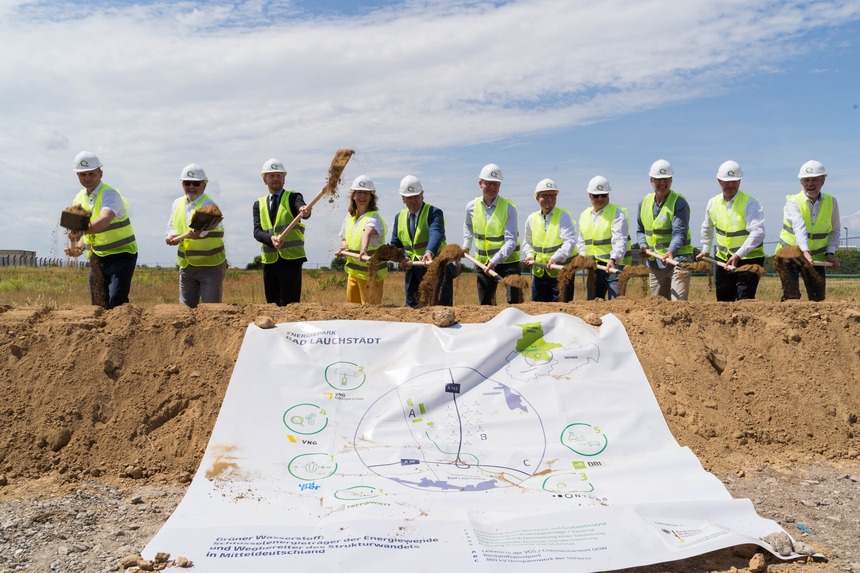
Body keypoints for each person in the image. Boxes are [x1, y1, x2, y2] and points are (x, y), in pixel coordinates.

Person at [67, 151, 138, 309]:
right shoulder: (78, 198)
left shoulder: (110, 194)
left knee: (116, 301)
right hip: (97, 258)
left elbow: (105, 219)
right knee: (98, 304)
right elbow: (75, 232)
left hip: (122, 255)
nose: (87, 178)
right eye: (82, 174)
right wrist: (76, 248)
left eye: (91, 174)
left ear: (100, 173)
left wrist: (82, 231)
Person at [696, 161, 766, 301]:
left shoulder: (750, 203)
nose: (730, 185)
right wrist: (706, 248)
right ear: (719, 181)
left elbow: (758, 232)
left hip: (749, 259)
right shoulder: (713, 203)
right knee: (723, 299)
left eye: (734, 181)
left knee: (744, 299)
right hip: (723, 259)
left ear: (739, 181)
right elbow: (707, 227)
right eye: (726, 182)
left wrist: (738, 254)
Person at [777, 160, 841, 301]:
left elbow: (835, 230)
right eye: (806, 180)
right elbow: (799, 227)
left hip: (816, 257)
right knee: (791, 295)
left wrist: (830, 253)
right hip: (789, 254)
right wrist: (805, 252)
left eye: (815, 180)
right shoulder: (793, 202)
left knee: (817, 298)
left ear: (822, 182)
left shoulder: (832, 202)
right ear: (801, 182)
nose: (810, 184)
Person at [165, 164, 227, 308]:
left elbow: (202, 232)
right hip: (186, 266)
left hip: (210, 266)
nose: (191, 186)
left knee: (211, 311)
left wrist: (197, 234)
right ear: (182, 185)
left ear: (204, 185)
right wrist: (171, 235)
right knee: (186, 312)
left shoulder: (210, 206)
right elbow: (171, 225)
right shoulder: (177, 203)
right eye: (187, 183)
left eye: (196, 183)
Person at [389, 175, 456, 307]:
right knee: (412, 311)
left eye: (416, 197)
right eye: (409, 198)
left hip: (435, 269)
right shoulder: (399, 217)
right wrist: (401, 258)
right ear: (403, 199)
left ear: (422, 195)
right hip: (412, 272)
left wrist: (429, 251)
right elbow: (395, 244)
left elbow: (436, 232)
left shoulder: (434, 213)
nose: (413, 201)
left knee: (440, 308)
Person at [252, 158, 311, 305]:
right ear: (265, 180)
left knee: (290, 305)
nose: (275, 178)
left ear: (284, 178)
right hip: (269, 261)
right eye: (271, 175)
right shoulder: (258, 204)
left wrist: (304, 210)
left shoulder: (293, 197)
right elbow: (257, 231)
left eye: (279, 175)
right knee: (272, 304)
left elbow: (302, 208)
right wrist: (270, 238)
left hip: (291, 261)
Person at [463, 163, 522, 305]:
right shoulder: (471, 207)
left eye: (496, 184)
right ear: (480, 184)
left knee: (514, 303)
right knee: (485, 303)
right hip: (483, 263)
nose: (492, 188)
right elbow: (468, 225)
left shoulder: (509, 208)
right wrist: (466, 245)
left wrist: (494, 261)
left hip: (508, 262)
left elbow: (511, 241)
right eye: (488, 183)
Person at [636, 159, 693, 301]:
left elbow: (680, 232)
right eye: (658, 180)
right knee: (658, 305)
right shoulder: (644, 203)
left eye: (666, 179)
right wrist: (643, 245)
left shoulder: (679, 203)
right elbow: (640, 230)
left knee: (677, 304)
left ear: (671, 180)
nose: (663, 183)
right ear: (651, 181)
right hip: (655, 261)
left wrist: (671, 251)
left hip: (678, 259)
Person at [576, 175, 631, 300]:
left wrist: (613, 259)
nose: (600, 198)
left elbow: (619, 241)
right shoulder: (584, 215)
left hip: (614, 266)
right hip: (594, 268)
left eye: (604, 195)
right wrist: (585, 257)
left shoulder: (617, 214)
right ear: (590, 196)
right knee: (593, 303)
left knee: (616, 304)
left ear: (608, 195)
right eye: (596, 196)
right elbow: (581, 241)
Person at [521, 178, 576, 302]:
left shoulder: (563, 216)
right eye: (545, 196)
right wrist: (529, 256)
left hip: (560, 274)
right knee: (539, 310)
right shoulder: (531, 219)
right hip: (539, 274)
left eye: (553, 196)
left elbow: (569, 242)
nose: (549, 199)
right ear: (537, 198)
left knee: (562, 311)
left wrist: (555, 258)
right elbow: (527, 242)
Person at [337, 175, 388, 304]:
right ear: (353, 196)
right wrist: (344, 247)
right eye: (359, 193)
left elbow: (368, 232)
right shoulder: (349, 217)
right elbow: (344, 237)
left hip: (371, 277)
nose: (362, 197)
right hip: (353, 274)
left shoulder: (374, 217)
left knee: (370, 314)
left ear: (371, 198)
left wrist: (363, 249)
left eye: (366, 193)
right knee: (352, 311)